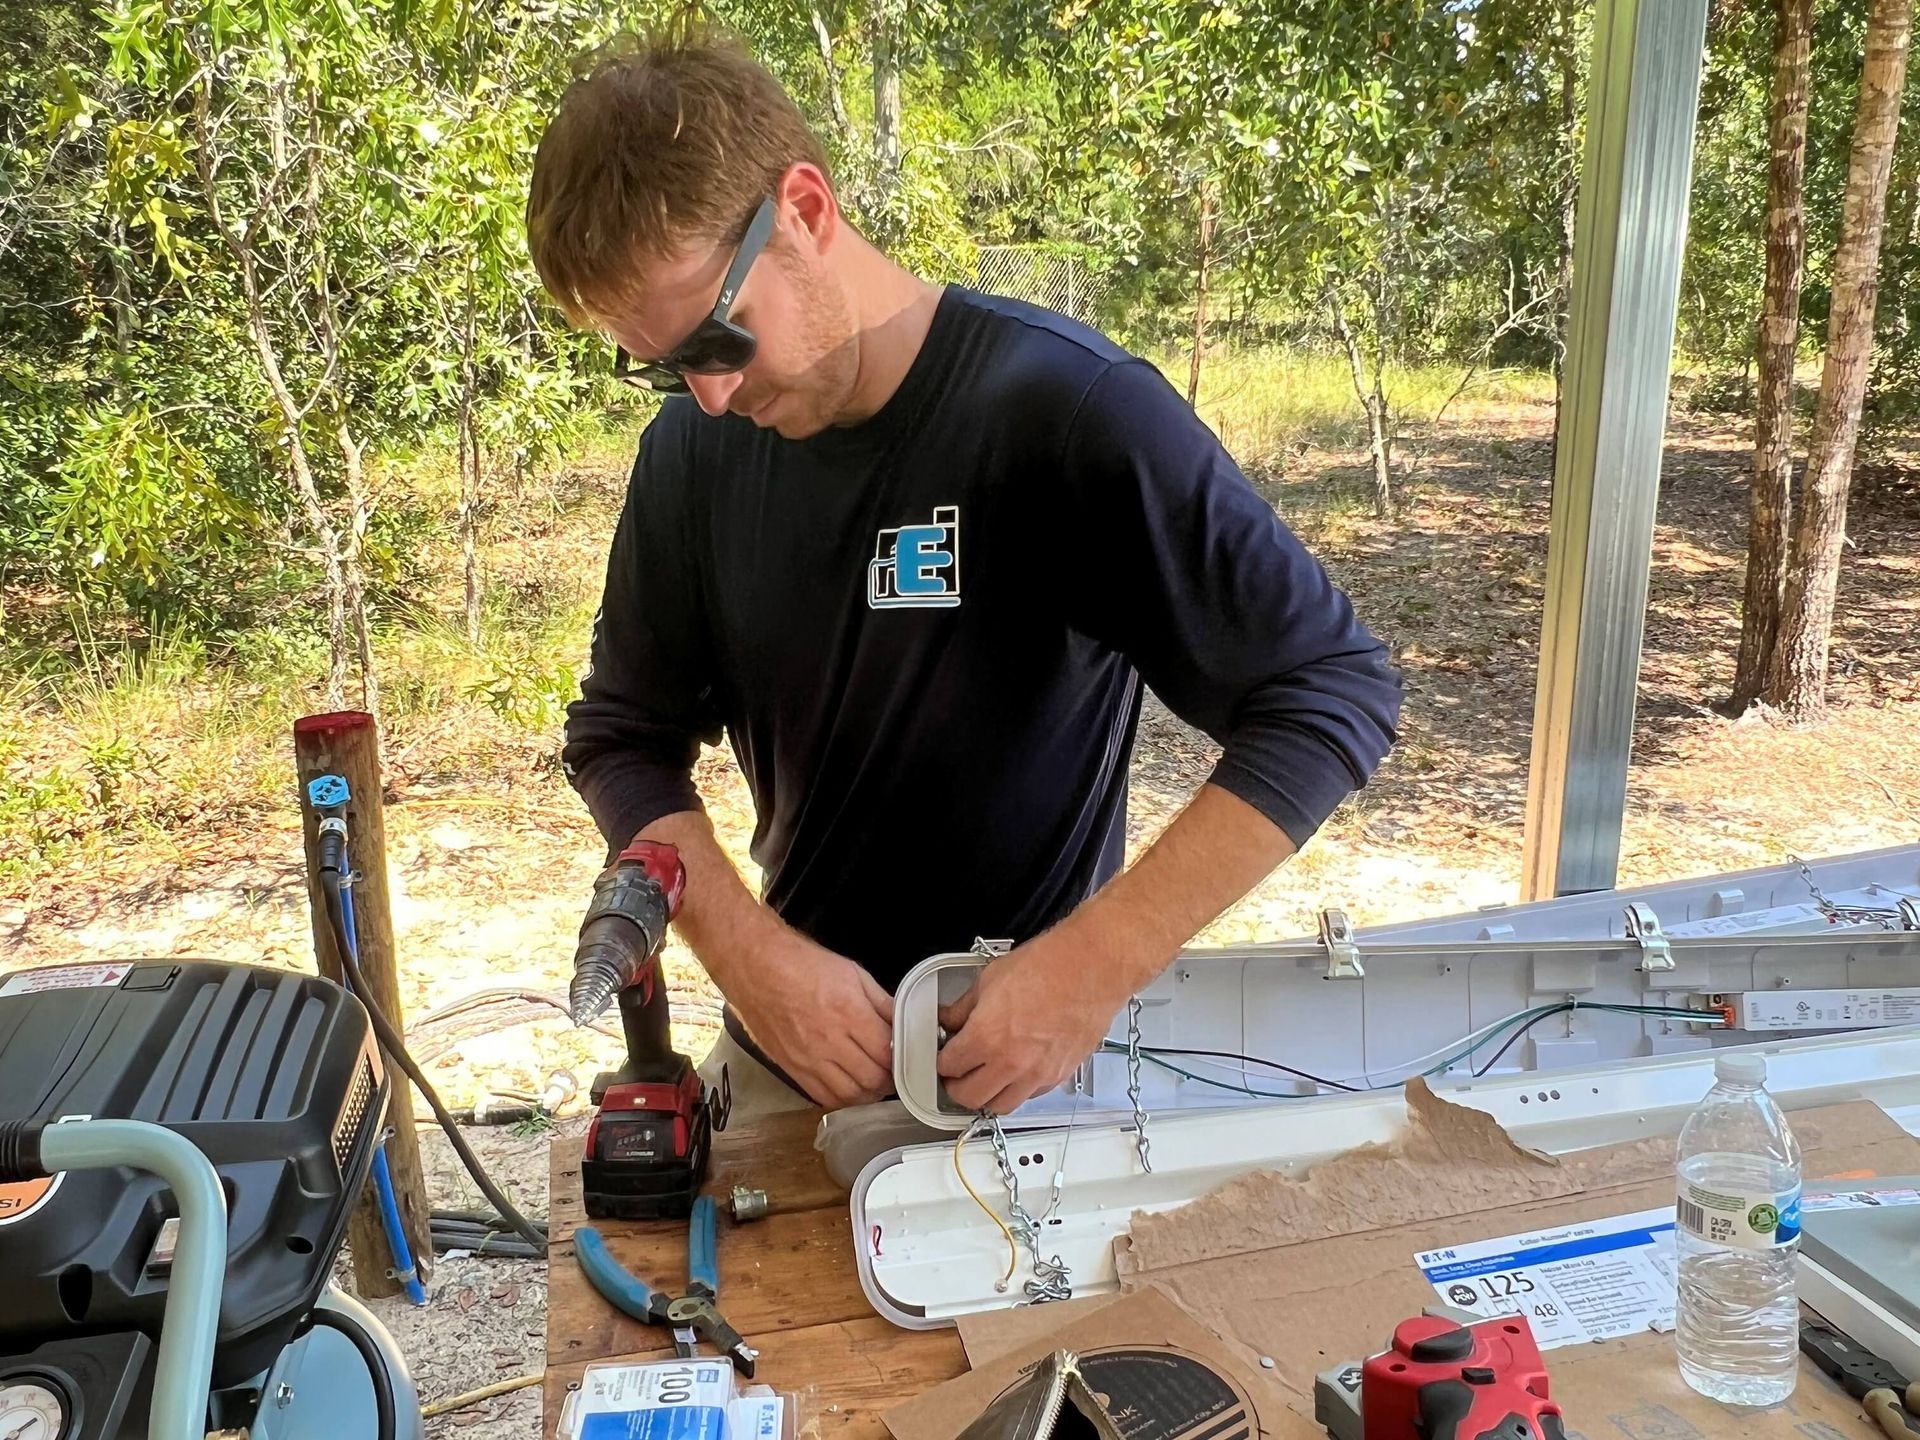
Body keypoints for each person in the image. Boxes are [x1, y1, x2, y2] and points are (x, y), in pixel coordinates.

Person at [527, 25, 1402, 1120]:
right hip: (792, 1063)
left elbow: (1330, 691)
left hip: (1029, 1072)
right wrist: (750, 958)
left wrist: (1095, 966)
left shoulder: (1064, 412)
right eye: (662, 367)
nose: (708, 395)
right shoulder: (693, 458)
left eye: (717, 338)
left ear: (804, 209)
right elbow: (622, 740)